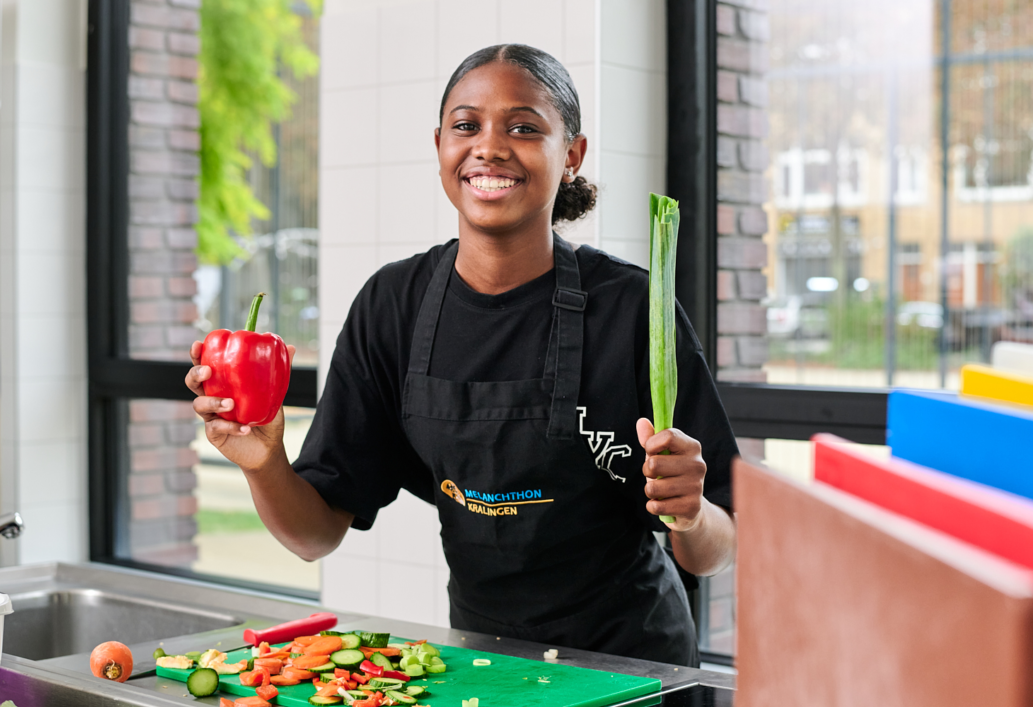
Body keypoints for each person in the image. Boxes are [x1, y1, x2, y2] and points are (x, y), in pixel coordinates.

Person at [186, 44, 738, 666]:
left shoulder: (633, 308)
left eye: (524, 127)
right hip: (482, 661)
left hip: (632, 664)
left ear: (572, 155)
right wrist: (263, 464)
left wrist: (690, 514)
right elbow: (315, 534)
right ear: (441, 146)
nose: (491, 147)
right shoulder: (393, 304)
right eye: (466, 125)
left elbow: (720, 547)